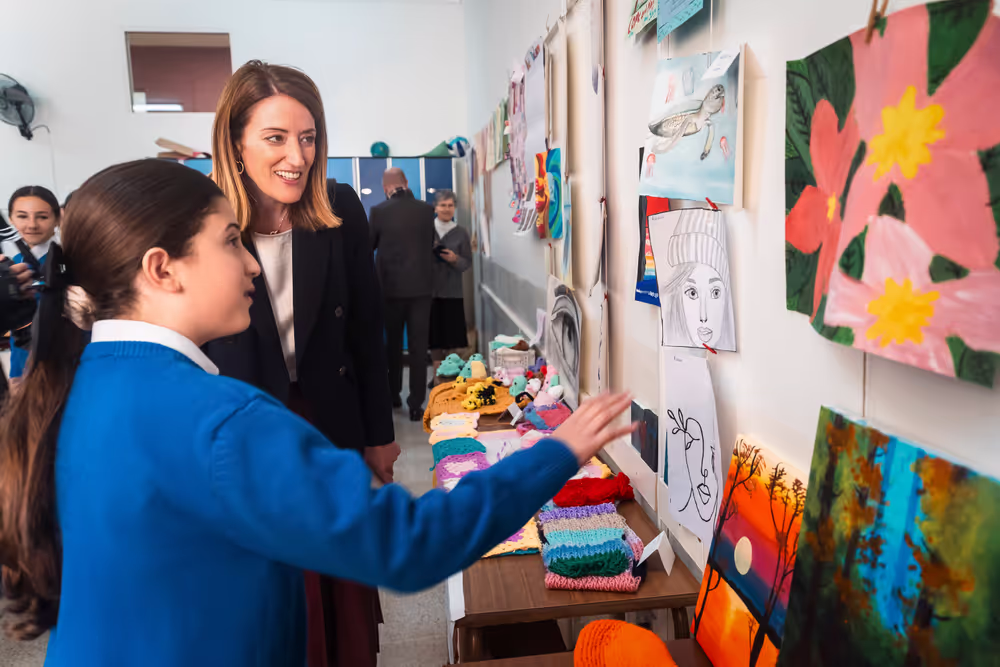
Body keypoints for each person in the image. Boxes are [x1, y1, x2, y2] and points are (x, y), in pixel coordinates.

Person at [0, 158, 634, 666]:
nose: (252, 262)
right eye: (229, 242)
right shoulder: (222, 421)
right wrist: (556, 452)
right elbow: (408, 545)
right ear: (163, 269)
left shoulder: (78, 385)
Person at [201, 61, 398, 667]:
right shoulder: (202, 220)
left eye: (308, 138)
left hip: (328, 421)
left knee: (339, 590)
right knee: (274, 596)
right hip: (245, 428)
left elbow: (367, 329)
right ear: (235, 142)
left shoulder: (337, 207)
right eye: (276, 138)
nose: (298, 155)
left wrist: (381, 436)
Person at [369, 167, 435, 421]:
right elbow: (428, 245)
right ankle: (417, 404)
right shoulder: (426, 210)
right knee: (419, 349)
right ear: (406, 183)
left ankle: (393, 394)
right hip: (421, 290)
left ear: (386, 188)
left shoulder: (378, 212)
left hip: (390, 291)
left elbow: (367, 247)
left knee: (392, 346)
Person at [3, 186, 61, 380]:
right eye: (22, 216)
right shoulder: (12, 264)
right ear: (11, 219)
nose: (32, 225)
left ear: (57, 219)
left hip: (60, 361)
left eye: (42, 217)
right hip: (21, 360)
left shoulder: (68, 261)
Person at [429, 190, 472, 361]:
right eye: (443, 205)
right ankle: (437, 376)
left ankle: (450, 374)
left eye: (450, 205)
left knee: (452, 338)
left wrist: (455, 259)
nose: (447, 209)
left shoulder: (461, 232)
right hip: (430, 292)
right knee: (434, 339)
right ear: (435, 207)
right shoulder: (427, 230)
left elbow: (467, 263)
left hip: (452, 291)